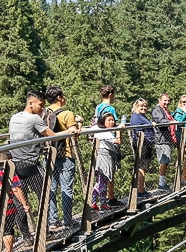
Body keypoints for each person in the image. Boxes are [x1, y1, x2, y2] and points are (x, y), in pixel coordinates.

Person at [9, 90, 78, 240]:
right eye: (40, 105)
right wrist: (70, 131)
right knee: (44, 198)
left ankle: (27, 237)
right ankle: (44, 234)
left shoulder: (14, 118)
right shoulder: (34, 119)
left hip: (15, 165)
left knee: (20, 201)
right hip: (31, 165)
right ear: (30, 103)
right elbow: (52, 136)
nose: (42, 108)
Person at [44, 86, 82, 231]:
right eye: (63, 95)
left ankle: (53, 221)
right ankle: (67, 221)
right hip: (65, 154)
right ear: (59, 97)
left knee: (51, 189)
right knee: (66, 188)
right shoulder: (67, 114)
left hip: (48, 154)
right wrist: (79, 122)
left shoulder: (44, 113)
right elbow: (74, 133)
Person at [93, 85, 122, 206]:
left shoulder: (98, 107)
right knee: (106, 176)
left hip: (99, 144)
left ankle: (97, 201)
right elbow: (114, 127)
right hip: (107, 144)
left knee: (101, 178)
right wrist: (119, 132)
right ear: (110, 95)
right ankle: (108, 199)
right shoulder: (110, 108)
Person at [91, 112, 121, 211]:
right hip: (105, 156)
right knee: (103, 180)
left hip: (98, 155)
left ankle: (94, 203)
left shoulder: (96, 128)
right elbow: (117, 141)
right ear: (103, 121)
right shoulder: (106, 132)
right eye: (109, 120)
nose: (111, 122)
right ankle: (102, 203)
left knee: (99, 181)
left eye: (113, 120)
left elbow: (88, 133)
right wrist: (118, 131)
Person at [130, 99, 156, 198]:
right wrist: (146, 140)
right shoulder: (136, 117)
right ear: (136, 107)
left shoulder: (142, 116)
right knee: (141, 167)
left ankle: (142, 189)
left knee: (143, 167)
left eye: (145, 106)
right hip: (142, 145)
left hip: (146, 144)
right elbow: (138, 131)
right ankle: (140, 191)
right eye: (141, 106)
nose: (144, 108)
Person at [151, 93, 177, 191]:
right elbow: (161, 121)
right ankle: (161, 184)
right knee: (164, 161)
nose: (167, 102)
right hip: (161, 139)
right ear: (160, 100)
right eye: (165, 100)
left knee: (166, 161)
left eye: (168, 100)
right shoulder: (157, 110)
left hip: (166, 138)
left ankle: (162, 182)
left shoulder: (165, 110)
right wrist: (171, 122)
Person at [172, 95, 186, 183]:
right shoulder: (178, 112)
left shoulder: (184, 112)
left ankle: (181, 177)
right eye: (184, 102)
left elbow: (185, 124)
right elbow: (179, 123)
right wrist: (185, 113)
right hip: (181, 138)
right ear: (180, 103)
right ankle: (182, 177)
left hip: (185, 137)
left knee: (182, 157)